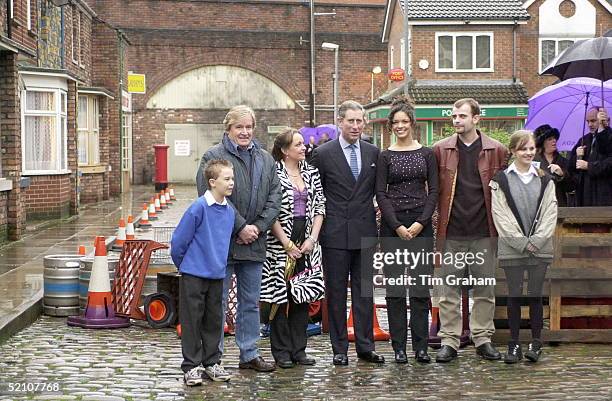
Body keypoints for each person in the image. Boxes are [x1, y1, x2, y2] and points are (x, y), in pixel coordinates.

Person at [196, 105, 281, 372]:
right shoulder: (213, 156)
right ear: (228, 129)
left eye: (249, 127)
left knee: (250, 303)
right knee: (217, 303)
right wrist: (241, 226)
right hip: (221, 243)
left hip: (254, 243)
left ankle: (249, 353)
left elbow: (275, 196)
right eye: (239, 127)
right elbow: (209, 196)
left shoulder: (265, 159)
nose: (245, 132)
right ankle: (213, 357)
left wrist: (257, 227)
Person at [432, 98, 508, 363]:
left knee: (485, 289)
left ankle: (483, 338)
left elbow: (510, 184)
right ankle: (450, 341)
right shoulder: (440, 150)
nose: (456, 121)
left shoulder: (496, 150)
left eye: (462, 116)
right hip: (451, 232)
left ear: (476, 118)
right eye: (454, 116)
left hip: (484, 231)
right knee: (448, 291)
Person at [311, 100, 384, 365]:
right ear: (340, 121)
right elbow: (315, 194)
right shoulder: (322, 153)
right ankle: (339, 348)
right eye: (350, 121)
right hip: (335, 233)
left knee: (365, 292)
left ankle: (366, 346)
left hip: (364, 231)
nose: (355, 126)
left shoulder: (373, 152)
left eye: (359, 121)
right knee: (337, 292)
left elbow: (379, 192)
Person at [376, 96, 438, 364]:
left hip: (421, 226)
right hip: (392, 229)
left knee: (420, 289)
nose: (400, 126)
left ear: (413, 123)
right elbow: (380, 193)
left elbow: (434, 191)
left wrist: (420, 223)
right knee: (396, 290)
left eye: (404, 121)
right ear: (390, 126)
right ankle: (399, 346)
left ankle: (421, 346)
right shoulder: (384, 156)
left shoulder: (427, 153)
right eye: (395, 122)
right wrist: (398, 226)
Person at [490, 130, 557, 363]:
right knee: (515, 295)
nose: (528, 152)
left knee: (536, 295)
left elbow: (551, 212)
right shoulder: (501, 180)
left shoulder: (546, 179)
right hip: (512, 248)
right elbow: (500, 215)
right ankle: (514, 344)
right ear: (513, 151)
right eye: (523, 149)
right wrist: (521, 242)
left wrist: (536, 241)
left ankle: (536, 343)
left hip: (540, 247)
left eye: (531, 148)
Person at [261, 128, 326, 368]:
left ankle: (299, 350)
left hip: (307, 243)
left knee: (303, 297)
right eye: (298, 144)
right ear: (285, 150)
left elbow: (320, 206)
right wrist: (286, 244)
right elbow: (270, 211)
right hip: (279, 244)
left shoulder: (311, 172)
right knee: (279, 298)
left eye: (303, 144)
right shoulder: (273, 174)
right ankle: (281, 352)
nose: (304, 148)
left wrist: (312, 239)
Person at [172, 160, 235, 385]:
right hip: (193, 275)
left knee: (213, 321)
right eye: (226, 179)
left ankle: (211, 363)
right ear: (212, 182)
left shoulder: (229, 211)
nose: (231, 183)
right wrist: (187, 266)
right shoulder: (198, 208)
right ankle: (190, 366)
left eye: (232, 178)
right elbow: (178, 242)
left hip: (217, 275)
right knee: (191, 321)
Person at [568, 107, 612, 206]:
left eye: (593, 121)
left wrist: (589, 166)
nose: (589, 124)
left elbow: (609, 163)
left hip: (604, 195)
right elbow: (571, 167)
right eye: (587, 121)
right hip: (585, 194)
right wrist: (577, 156)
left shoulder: (609, 137)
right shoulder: (584, 140)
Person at [533, 124, 573, 207]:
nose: (554, 141)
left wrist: (562, 175)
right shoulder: (533, 160)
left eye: (554, 138)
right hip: (539, 206)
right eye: (549, 139)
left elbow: (571, 187)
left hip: (559, 206)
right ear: (542, 143)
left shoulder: (563, 161)